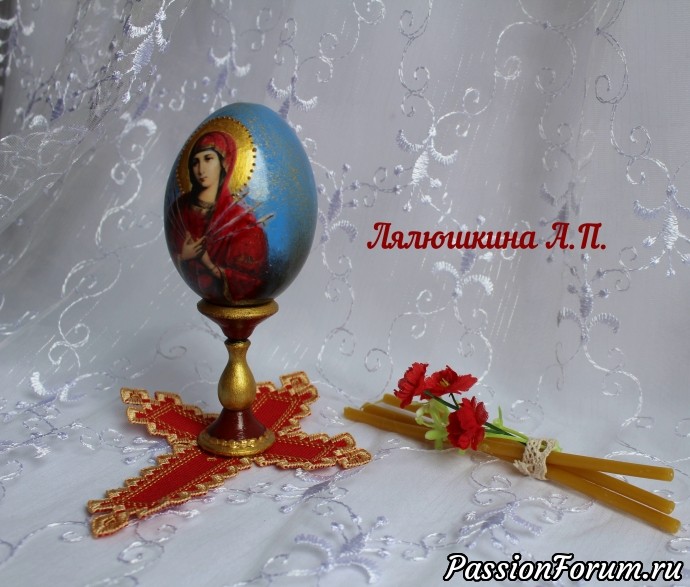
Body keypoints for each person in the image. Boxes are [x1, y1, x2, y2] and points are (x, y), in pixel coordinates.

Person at [166, 130, 268, 304]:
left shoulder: (243, 222)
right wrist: (183, 256)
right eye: (195, 162)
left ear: (224, 164)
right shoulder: (179, 210)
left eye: (208, 159)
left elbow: (254, 281)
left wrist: (210, 266)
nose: (201, 169)